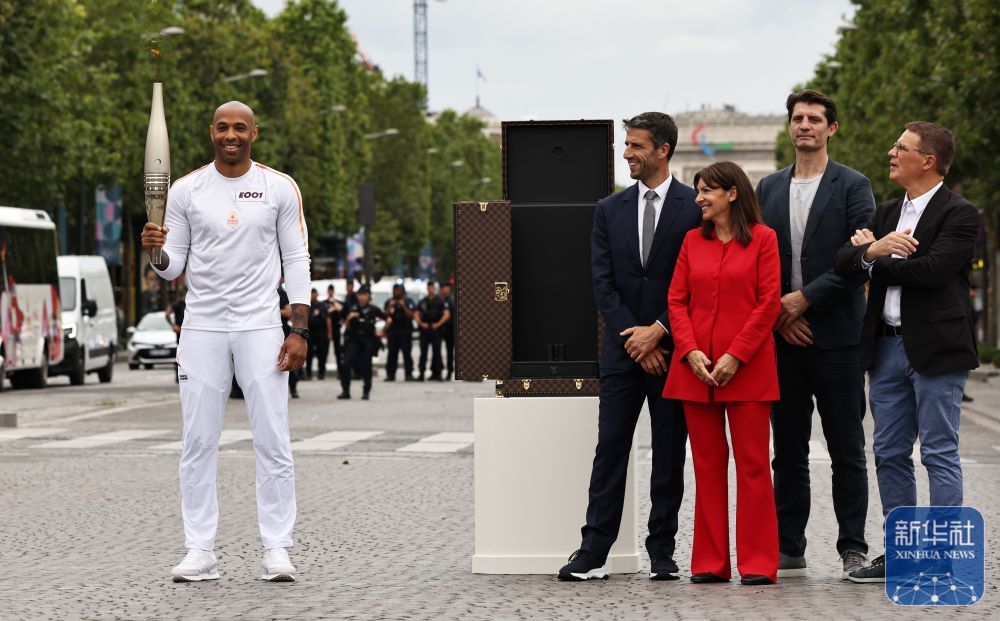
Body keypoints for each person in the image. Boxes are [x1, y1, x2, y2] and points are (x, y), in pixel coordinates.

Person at [141, 100, 309, 583]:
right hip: (202, 327)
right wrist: (156, 252)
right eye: (222, 127)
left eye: (239, 127)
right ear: (211, 132)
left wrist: (299, 329)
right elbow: (173, 265)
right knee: (197, 441)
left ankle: (277, 549)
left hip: (260, 326)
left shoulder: (279, 187)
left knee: (273, 439)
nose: (230, 135)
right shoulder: (185, 190)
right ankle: (200, 551)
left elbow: (296, 258)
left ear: (254, 133)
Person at [558, 112, 701, 582]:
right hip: (623, 352)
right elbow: (602, 284)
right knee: (610, 450)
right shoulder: (608, 209)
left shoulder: (694, 206)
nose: (626, 154)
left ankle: (663, 551)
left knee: (669, 453)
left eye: (636, 146)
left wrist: (659, 330)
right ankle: (593, 549)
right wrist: (637, 339)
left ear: (663, 150)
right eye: (627, 144)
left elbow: (697, 283)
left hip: (673, 351)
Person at [835, 122, 979, 583]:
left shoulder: (960, 214)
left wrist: (875, 258)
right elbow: (843, 262)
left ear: (928, 160)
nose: (891, 152)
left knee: (938, 452)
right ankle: (903, 553)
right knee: (889, 452)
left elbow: (933, 271)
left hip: (937, 349)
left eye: (901, 147)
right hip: (885, 349)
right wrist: (874, 250)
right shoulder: (886, 212)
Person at [756, 89, 874, 580]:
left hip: (839, 339)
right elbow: (754, 260)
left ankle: (853, 546)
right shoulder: (766, 188)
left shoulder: (854, 185)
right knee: (787, 450)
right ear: (789, 126)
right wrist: (780, 314)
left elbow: (861, 260)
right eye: (798, 118)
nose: (805, 125)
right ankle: (789, 546)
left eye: (815, 119)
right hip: (782, 341)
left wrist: (804, 300)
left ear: (832, 128)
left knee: (847, 449)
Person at [663, 161, 781, 585]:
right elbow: (676, 301)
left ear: (732, 193)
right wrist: (690, 350)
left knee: (753, 466)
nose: (699, 198)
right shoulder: (692, 241)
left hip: (748, 370)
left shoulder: (764, 239)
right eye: (697, 190)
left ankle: (758, 562)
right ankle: (710, 562)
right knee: (706, 465)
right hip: (695, 371)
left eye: (707, 190)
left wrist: (736, 355)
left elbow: (769, 303)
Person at [339, 284, 385, 400]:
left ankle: (366, 391)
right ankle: (345, 391)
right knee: (346, 363)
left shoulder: (373, 309)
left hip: (367, 339)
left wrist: (382, 332)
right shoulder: (352, 308)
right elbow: (345, 324)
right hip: (353, 339)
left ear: (368, 296)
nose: (362, 297)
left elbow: (388, 319)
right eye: (360, 294)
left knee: (367, 366)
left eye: (364, 294)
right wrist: (349, 318)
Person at [415, 281, 448, 381]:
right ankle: (421, 373)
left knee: (437, 352)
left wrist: (438, 324)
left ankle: (438, 373)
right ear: (427, 288)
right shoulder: (423, 301)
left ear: (434, 288)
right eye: (429, 287)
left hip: (436, 329)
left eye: (432, 287)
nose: (431, 289)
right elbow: (416, 314)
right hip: (425, 329)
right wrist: (421, 324)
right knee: (423, 352)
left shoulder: (439, 301)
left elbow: (446, 314)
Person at [383, 283, 416, 381]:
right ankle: (390, 374)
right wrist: (390, 306)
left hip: (405, 331)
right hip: (393, 331)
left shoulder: (408, 301)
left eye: (398, 290)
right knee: (392, 354)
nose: (397, 292)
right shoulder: (389, 302)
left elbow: (412, 315)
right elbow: (385, 315)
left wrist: (403, 306)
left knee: (407, 353)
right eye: (395, 290)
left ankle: (408, 374)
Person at [278, 281, 299, 400]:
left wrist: (272, 311)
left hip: (283, 329)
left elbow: (288, 312)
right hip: (268, 330)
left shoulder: (284, 295)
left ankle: (293, 387)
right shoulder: (267, 292)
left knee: (288, 359)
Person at [305, 288, 329, 380]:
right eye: (312, 293)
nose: (313, 295)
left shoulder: (321, 305)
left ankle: (321, 373)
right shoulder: (307, 305)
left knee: (321, 353)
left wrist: (329, 333)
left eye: (315, 293)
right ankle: (308, 373)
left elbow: (327, 319)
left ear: (317, 294)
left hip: (320, 332)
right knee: (309, 354)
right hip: (310, 332)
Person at [166, 287, 187, 383]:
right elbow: (167, 314)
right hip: (183, 331)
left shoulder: (181, 303)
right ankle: (179, 376)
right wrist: (173, 325)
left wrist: (173, 325)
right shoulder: (180, 303)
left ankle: (180, 376)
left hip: (184, 331)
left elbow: (167, 314)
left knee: (181, 354)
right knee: (182, 354)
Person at [324, 284, 343, 378]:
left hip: (336, 329)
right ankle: (322, 372)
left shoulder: (337, 302)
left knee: (338, 352)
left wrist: (334, 303)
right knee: (324, 351)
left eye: (332, 290)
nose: (330, 292)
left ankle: (340, 372)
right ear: (327, 291)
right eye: (329, 290)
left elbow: (340, 309)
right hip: (325, 330)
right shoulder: (324, 303)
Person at [440, 282, 455, 380]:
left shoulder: (452, 301)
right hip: (441, 328)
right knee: (438, 350)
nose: (446, 291)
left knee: (450, 351)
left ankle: (450, 371)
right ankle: (438, 370)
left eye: (447, 289)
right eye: (444, 289)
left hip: (451, 328)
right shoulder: (439, 300)